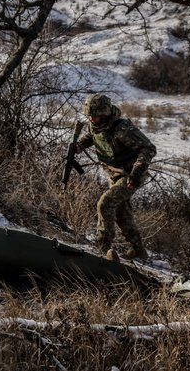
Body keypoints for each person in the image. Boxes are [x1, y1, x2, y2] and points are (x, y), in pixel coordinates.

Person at [73, 93, 156, 260]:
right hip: (114, 174)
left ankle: (102, 247)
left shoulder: (122, 129)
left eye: (95, 116)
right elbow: (91, 136)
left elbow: (148, 148)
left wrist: (136, 173)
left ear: (105, 114)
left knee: (105, 203)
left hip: (130, 174)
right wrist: (80, 145)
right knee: (121, 212)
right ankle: (139, 250)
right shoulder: (95, 124)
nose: (92, 119)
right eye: (90, 116)